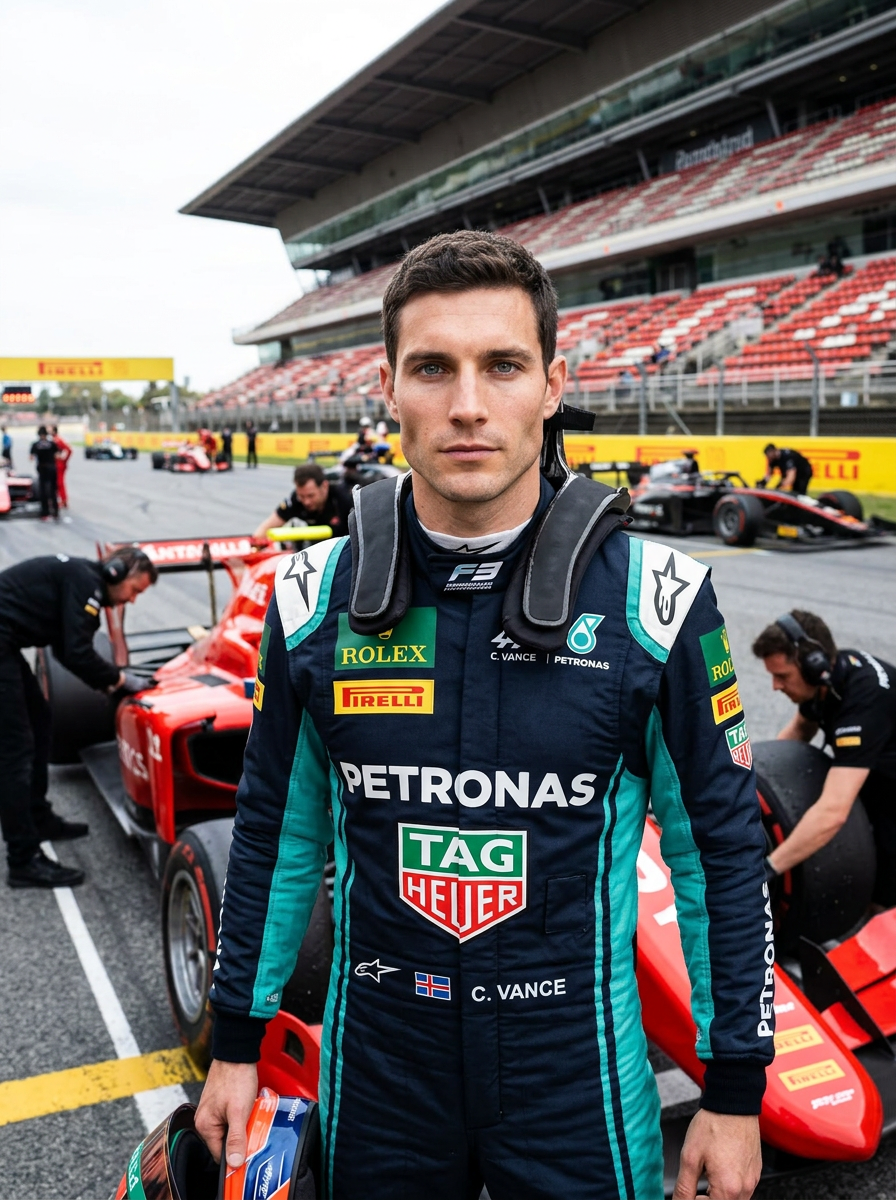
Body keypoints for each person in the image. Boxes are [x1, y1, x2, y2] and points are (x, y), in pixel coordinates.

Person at [197, 230, 771, 1200]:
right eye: (431, 368)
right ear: (387, 387)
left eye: (500, 365)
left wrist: (735, 1092)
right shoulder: (307, 598)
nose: (466, 405)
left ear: (551, 385)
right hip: (378, 1068)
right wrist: (235, 1041)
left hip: (574, 1072)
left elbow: (717, 853)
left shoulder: (658, 599)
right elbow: (273, 835)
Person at [0, 546, 157, 888]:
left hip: (6, 644)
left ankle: (38, 818)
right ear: (117, 572)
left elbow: (64, 651)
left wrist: (107, 680)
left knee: (40, 720)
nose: (131, 600)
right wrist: (118, 680)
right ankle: (23, 860)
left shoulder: (81, 582)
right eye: (135, 591)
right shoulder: (86, 583)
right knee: (16, 751)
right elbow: (76, 651)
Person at [753, 611, 895, 906]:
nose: (775, 687)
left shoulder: (863, 703)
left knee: (882, 898)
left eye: (782, 676)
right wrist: (740, 785)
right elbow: (796, 733)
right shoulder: (829, 679)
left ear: (812, 666)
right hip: (875, 771)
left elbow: (832, 813)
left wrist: (768, 869)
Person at [252, 463, 353, 540]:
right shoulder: (295, 500)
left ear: (324, 487)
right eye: (302, 496)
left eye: (311, 495)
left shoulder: (344, 499)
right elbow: (263, 530)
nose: (306, 502)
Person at [30, 425, 59, 521]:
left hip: (42, 469)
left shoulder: (35, 444)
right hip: (51, 468)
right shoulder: (51, 443)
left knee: (43, 491)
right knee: (53, 490)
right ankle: (55, 511)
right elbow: (58, 455)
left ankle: (44, 512)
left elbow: (31, 457)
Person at [51, 425, 72, 509]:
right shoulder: (54, 440)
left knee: (60, 483)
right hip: (56, 463)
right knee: (57, 483)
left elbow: (69, 450)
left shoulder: (58, 440)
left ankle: (63, 500)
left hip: (59, 464)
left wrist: (64, 459)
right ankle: (61, 499)